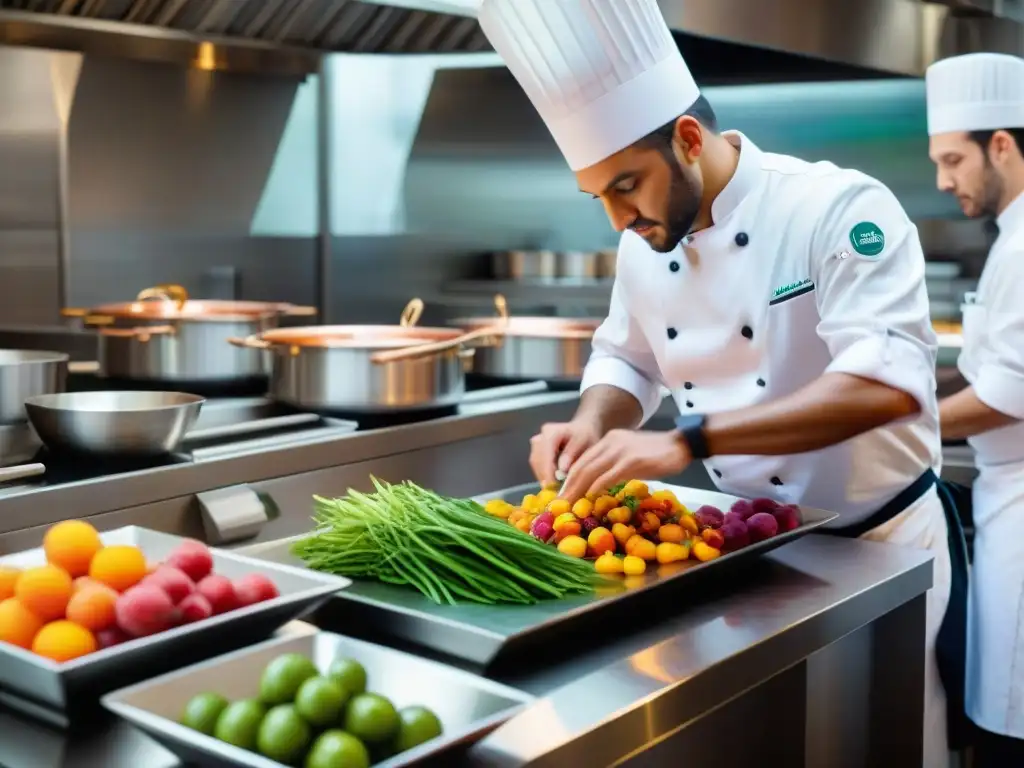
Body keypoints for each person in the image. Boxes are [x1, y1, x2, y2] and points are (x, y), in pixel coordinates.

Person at [476, 1, 968, 764]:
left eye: (626, 186)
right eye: (598, 196)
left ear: (689, 139)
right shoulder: (644, 242)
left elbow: (888, 384)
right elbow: (628, 359)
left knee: (891, 747)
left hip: (883, 549)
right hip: (752, 556)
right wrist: (594, 423)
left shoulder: (836, 208)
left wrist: (687, 442)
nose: (615, 218)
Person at [926, 52, 1024, 766]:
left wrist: (898, 422)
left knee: (1011, 721)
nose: (943, 180)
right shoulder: (1010, 239)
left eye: (953, 158)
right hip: (1003, 500)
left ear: (1002, 144)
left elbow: (1010, 393)